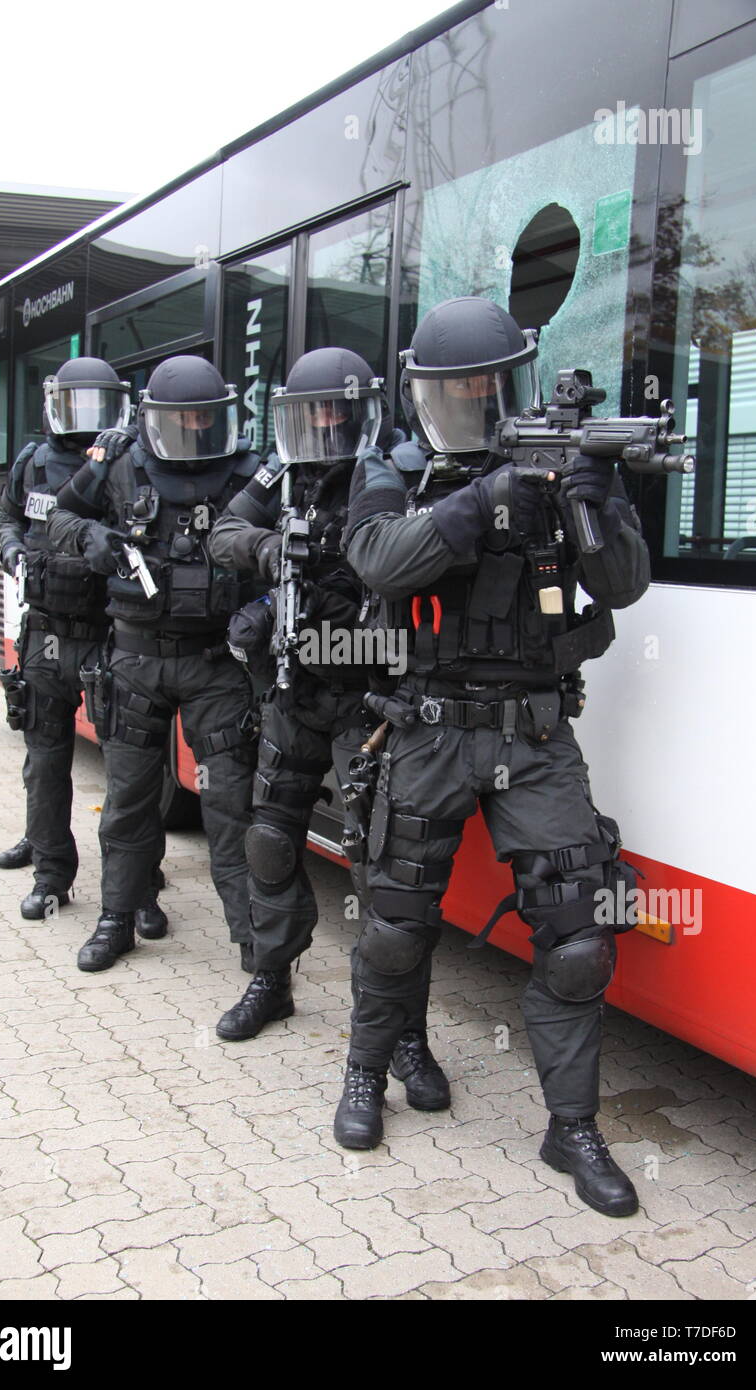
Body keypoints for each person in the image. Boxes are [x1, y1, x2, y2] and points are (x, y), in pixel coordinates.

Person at [333, 296, 650, 1219]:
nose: (468, 398)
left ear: (508, 379)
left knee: (580, 939)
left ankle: (572, 1125)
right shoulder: (392, 466)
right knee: (394, 921)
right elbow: (381, 562)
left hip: (537, 734)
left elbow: (621, 587)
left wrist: (590, 504)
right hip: (428, 728)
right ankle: (365, 1074)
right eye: (450, 386)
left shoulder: (559, 457)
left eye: (483, 381)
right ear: (423, 391)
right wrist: (483, 500)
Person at [207, 348, 449, 1109]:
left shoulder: (390, 474)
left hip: (367, 704)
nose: (322, 424)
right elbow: (221, 533)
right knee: (271, 844)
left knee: (387, 882)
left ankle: (403, 1035)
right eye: (308, 412)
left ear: (359, 411)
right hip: (291, 695)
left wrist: (350, 599)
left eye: (334, 411)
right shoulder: (281, 480)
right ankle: (271, 980)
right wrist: (271, 547)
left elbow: (416, 571)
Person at [47, 355, 261, 972]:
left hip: (217, 662)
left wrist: (266, 607)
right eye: (180, 417)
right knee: (128, 802)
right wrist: (90, 539)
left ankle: (254, 947)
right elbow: (55, 515)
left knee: (231, 808)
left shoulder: (249, 473)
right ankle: (119, 918)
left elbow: (289, 556)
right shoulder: (118, 461)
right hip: (136, 658)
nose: (192, 426)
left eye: (203, 417)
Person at [0, 357, 155, 921]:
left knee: (130, 769)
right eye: (75, 403)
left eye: (98, 404)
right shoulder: (32, 461)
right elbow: (10, 517)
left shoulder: (125, 465)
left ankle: (138, 888)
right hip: (42, 635)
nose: (86, 418)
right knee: (45, 762)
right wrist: (12, 548)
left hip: (105, 637)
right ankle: (50, 874)